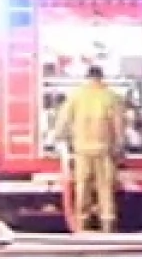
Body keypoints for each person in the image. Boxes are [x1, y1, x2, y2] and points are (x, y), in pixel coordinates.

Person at [50, 65, 128, 234]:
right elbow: (119, 125)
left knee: (82, 188)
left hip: (82, 151)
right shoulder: (112, 97)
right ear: (102, 77)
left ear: (87, 77)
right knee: (106, 188)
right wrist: (121, 147)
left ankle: (82, 226)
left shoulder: (76, 96)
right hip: (105, 151)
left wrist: (57, 138)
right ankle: (107, 226)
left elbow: (63, 120)